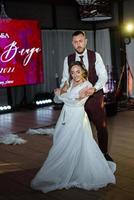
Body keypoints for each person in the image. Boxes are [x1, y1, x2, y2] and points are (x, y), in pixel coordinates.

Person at [31, 61, 116, 193]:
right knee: (61, 141)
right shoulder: (70, 83)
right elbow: (58, 101)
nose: (75, 74)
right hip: (65, 116)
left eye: (77, 71)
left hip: (77, 117)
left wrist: (61, 94)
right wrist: (58, 93)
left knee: (74, 142)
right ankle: (66, 167)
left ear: (83, 71)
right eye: (72, 72)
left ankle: (79, 169)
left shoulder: (87, 85)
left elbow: (75, 102)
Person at [61, 30, 113, 161]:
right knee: (78, 129)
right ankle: (82, 157)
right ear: (72, 43)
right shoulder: (68, 59)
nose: (78, 44)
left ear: (85, 41)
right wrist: (64, 86)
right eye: (75, 42)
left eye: (80, 41)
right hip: (77, 100)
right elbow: (65, 79)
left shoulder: (95, 56)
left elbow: (103, 76)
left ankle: (104, 154)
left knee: (101, 126)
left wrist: (94, 89)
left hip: (94, 98)